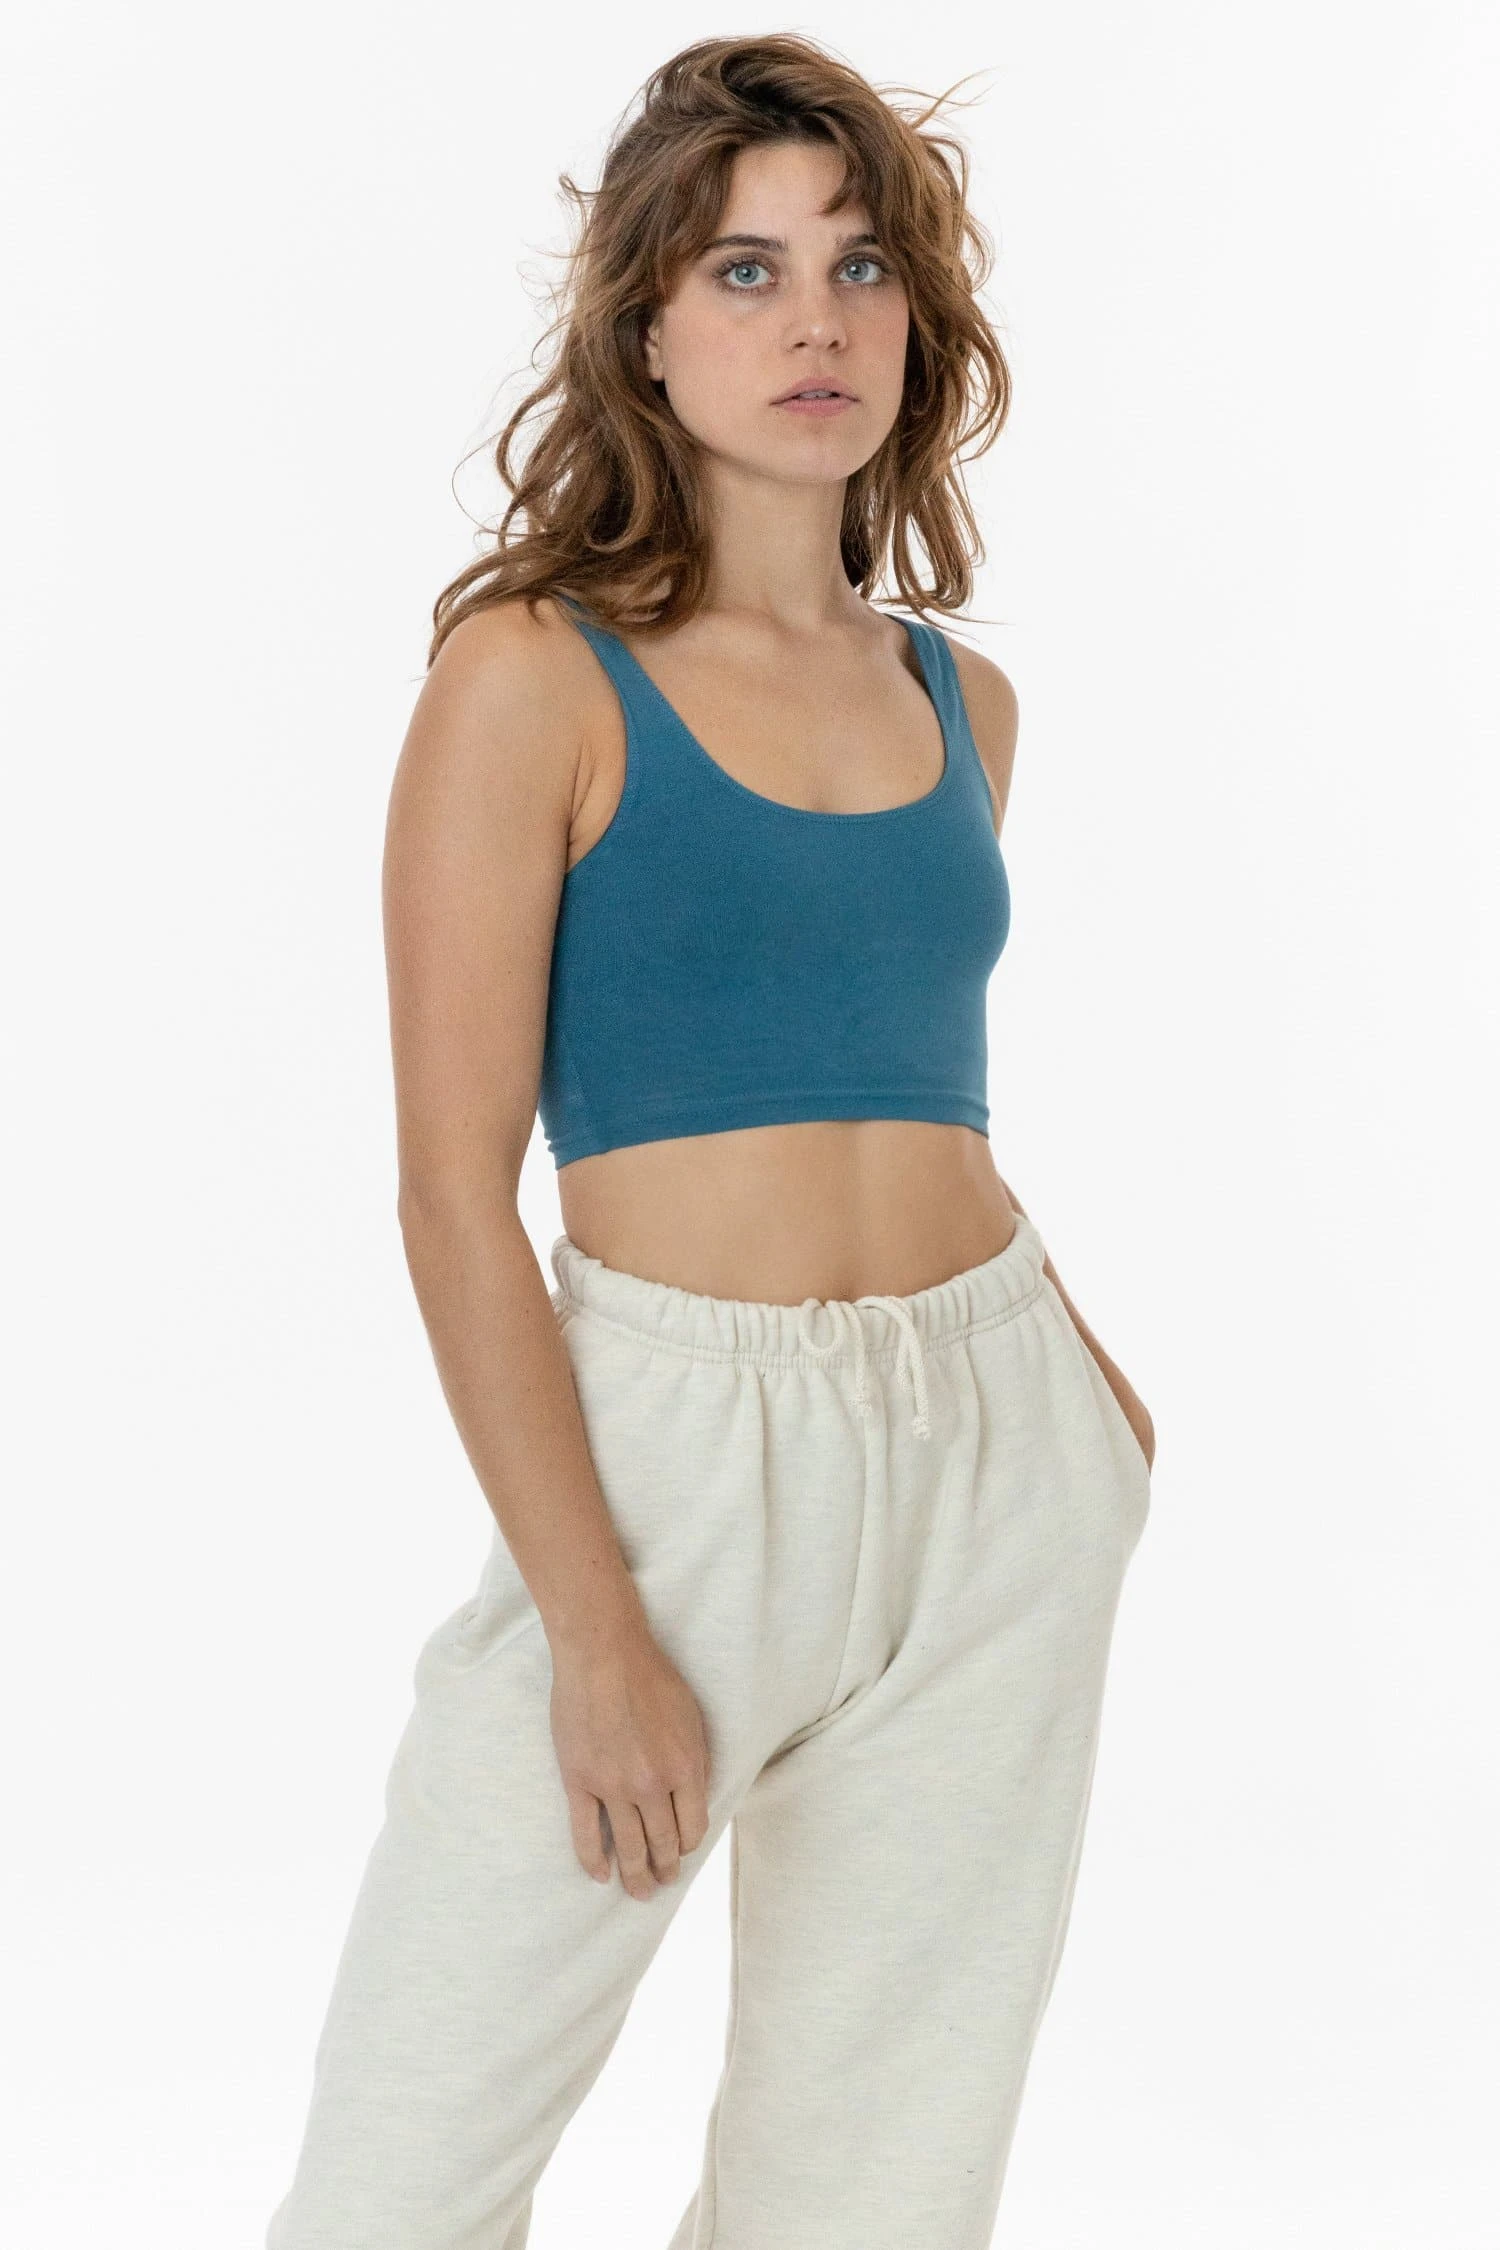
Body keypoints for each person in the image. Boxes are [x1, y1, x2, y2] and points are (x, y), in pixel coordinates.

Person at [265, 30, 1155, 2250]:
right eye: (745, 271)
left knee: (874, 2185)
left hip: (996, 1454)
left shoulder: (962, 700)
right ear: (647, 330)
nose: (814, 319)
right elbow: (450, 1194)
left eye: (859, 267)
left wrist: (1085, 1402)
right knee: (400, 2175)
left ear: (916, 325)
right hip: (665, 1459)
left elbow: (916, 1081)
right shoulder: (532, 677)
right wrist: (594, 1631)